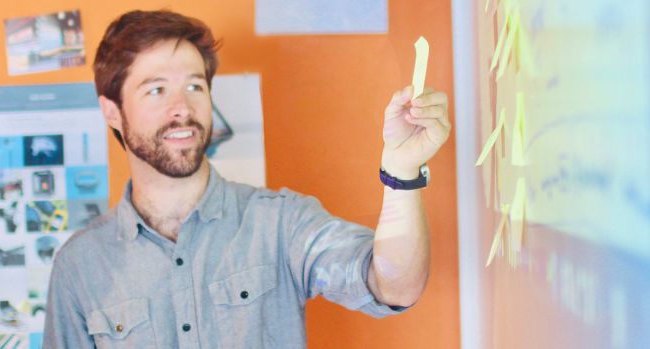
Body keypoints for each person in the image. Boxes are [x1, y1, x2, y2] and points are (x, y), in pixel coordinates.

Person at [44, 10, 450, 348]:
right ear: (112, 111)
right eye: (156, 90)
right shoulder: (80, 266)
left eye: (194, 85)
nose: (181, 108)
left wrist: (401, 171)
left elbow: (394, 285)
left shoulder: (280, 223)